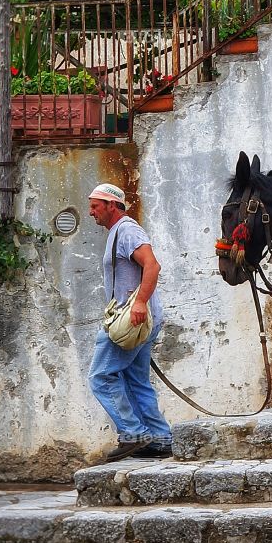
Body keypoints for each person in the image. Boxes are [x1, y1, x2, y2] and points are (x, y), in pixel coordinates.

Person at [86, 182, 173, 462]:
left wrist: (139, 302)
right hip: (139, 320)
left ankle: (133, 433)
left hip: (131, 321)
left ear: (112, 205)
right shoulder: (118, 232)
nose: (91, 212)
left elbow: (152, 265)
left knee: (101, 376)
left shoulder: (127, 230)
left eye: (95, 206)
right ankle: (160, 439)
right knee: (137, 381)